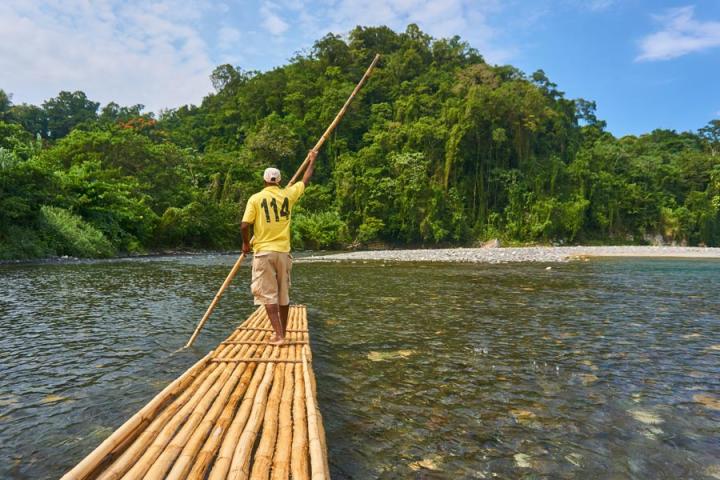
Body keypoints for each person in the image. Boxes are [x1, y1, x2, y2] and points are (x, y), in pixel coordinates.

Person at [240, 150, 318, 345]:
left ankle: (280, 336)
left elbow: (244, 224)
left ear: (264, 181)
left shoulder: (255, 198)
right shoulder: (287, 195)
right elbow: (306, 180)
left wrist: (245, 243)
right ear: (279, 181)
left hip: (264, 252)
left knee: (268, 295)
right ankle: (280, 332)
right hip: (283, 252)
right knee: (282, 294)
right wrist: (312, 160)